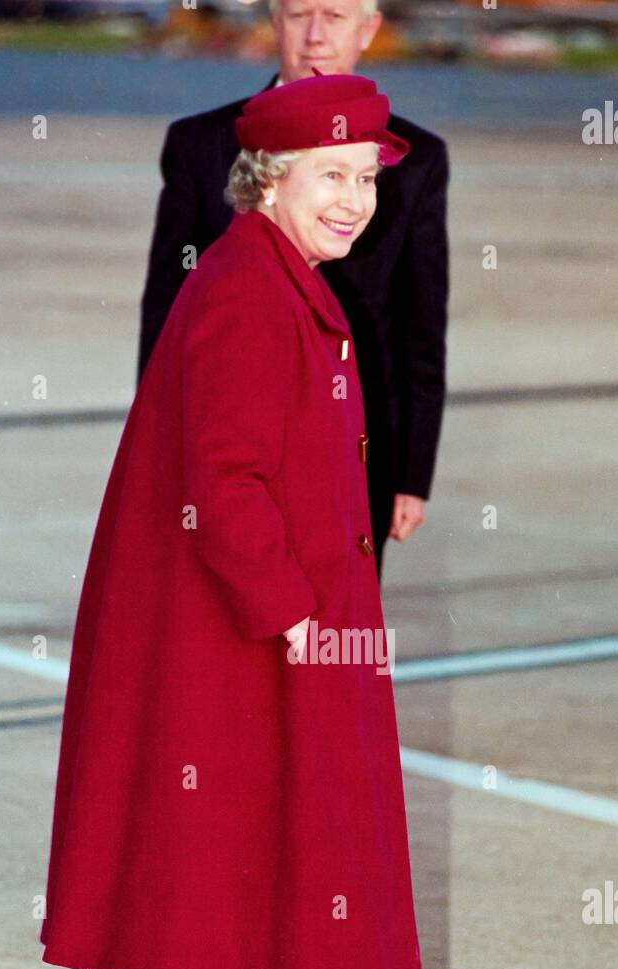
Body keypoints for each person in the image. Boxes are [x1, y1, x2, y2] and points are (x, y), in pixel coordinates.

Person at [39, 73, 423, 969]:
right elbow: (227, 475)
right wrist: (301, 620)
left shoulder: (268, 276)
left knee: (211, 893)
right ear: (272, 176)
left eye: (365, 178)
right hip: (279, 641)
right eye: (333, 176)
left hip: (249, 638)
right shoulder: (256, 292)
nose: (355, 200)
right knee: (327, 884)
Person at [137, 0, 449, 579]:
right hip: (233, 442)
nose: (314, 37)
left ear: (369, 29)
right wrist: (159, 455)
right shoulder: (200, 143)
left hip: (359, 443)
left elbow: (420, 324)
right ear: (273, 23)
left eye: (333, 17)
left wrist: (411, 471)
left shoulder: (419, 158)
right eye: (298, 14)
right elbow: (165, 312)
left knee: (338, 628)